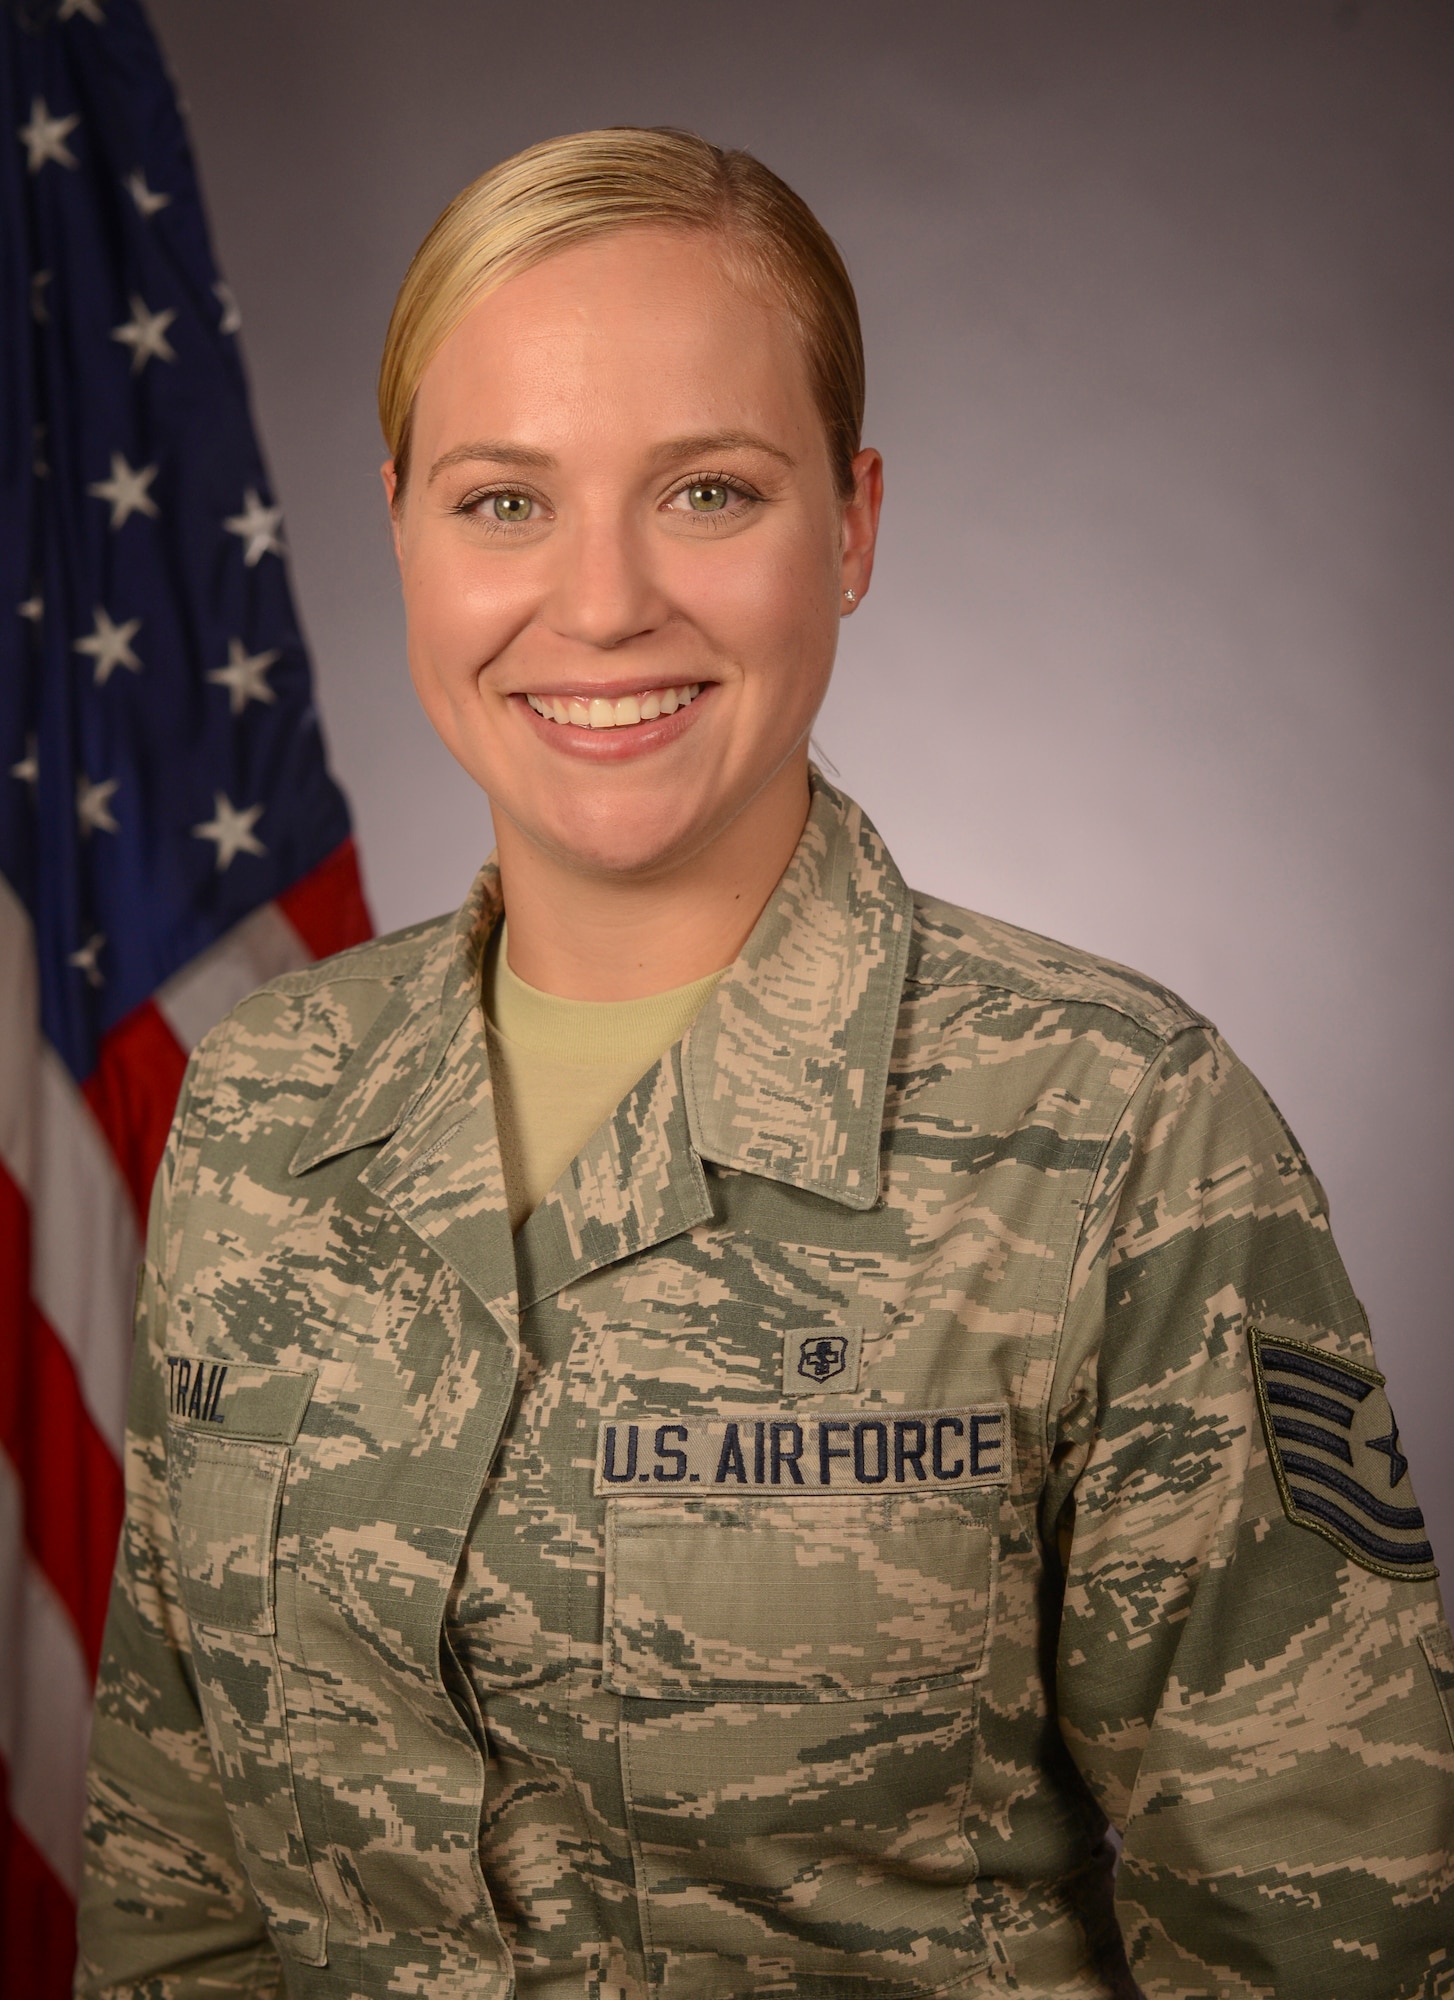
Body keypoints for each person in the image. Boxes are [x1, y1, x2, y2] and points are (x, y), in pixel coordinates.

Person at [78, 127, 1454, 2000]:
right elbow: (181, 1894)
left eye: (708, 493)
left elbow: (1328, 1930)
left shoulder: (1116, 1128)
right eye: (503, 501)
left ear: (853, 522)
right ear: (399, 521)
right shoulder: (258, 1110)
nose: (602, 600)